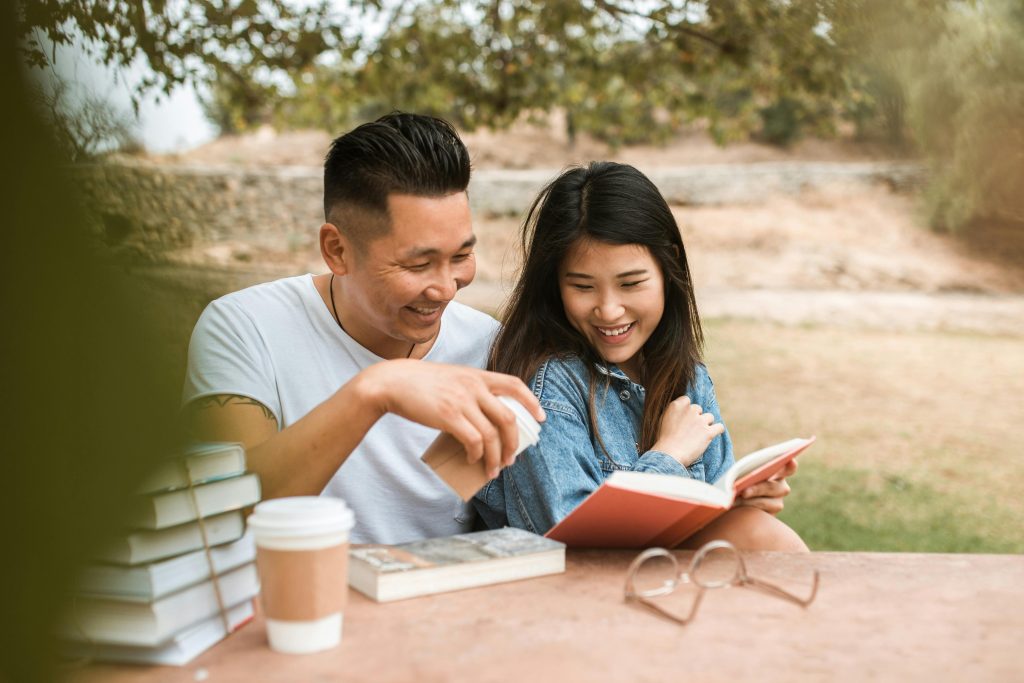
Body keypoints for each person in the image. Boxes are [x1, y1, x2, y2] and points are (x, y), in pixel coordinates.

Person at [183, 113, 544, 544]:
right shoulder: (243, 328)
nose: (447, 288)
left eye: (461, 256)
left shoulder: (486, 345)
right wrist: (375, 391)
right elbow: (223, 514)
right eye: (418, 264)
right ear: (337, 250)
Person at [473, 161, 806, 551]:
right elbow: (574, 545)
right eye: (583, 286)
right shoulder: (546, 385)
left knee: (755, 530)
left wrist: (739, 501)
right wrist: (667, 458)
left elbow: (706, 504)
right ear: (554, 286)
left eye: (631, 283)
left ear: (669, 272)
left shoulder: (687, 376)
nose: (609, 310)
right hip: (570, 594)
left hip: (662, 580)